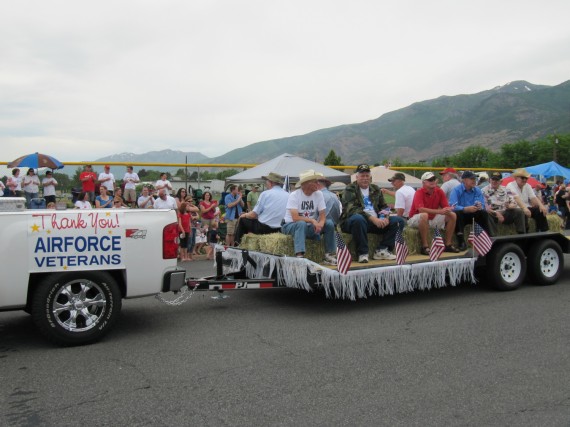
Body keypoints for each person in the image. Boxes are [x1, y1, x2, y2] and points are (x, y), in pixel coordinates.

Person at [340, 164, 405, 263]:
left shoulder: (375, 189)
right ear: (357, 177)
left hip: (375, 222)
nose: (365, 178)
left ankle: (382, 249)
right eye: (362, 176)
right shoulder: (350, 189)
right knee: (358, 219)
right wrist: (372, 218)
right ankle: (363, 253)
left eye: (367, 176)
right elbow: (352, 209)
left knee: (399, 221)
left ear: (370, 177)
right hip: (354, 222)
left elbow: (383, 206)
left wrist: (384, 217)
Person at [281, 169, 337, 264]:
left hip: (308, 226)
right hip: (290, 226)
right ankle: (300, 256)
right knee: (301, 223)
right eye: (315, 182)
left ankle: (329, 254)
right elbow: (295, 218)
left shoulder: (319, 194)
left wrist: (320, 224)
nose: (318, 184)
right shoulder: (294, 195)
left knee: (329, 223)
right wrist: (313, 221)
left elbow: (323, 216)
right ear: (307, 183)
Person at [407, 172, 460, 255]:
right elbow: (421, 209)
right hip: (415, 218)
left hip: (431, 218)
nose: (432, 181)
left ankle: (448, 244)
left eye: (433, 179)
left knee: (452, 215)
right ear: (423, 182)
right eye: (429, 180)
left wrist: (449, 209)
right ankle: (425, 246)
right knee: (424, 215)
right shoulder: (419, 192)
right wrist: (440, 211)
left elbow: (445, 206)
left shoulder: (439, 191)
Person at [235, 172, 289, 244]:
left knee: (242, 220)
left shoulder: (265, 193)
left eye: (266, 181)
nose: (266, 183)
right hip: (280, 229)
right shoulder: (288, 194)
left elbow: (254, 215)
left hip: (265, 228)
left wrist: (244, 215)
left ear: (271, 182)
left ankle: (238, 244)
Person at [448, 170, 494, 250]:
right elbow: (452, 206)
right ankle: (461, 241)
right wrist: (465, 209)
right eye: (471, 179)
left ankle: (488, 238)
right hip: (463, 214)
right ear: (464, 180)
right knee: (457, 214)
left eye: (475, 179)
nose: (474, 181)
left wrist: (480, 206)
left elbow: (483, 204)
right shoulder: (456, 190)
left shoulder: (477, 190)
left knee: (484, 213)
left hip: (474, 213)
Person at [506, 168, 549, 232]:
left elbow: (533, 197)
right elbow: (516, 198)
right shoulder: (510, 185)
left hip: (526, 207)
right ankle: (525, 233)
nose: (524, 180)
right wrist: (524, 208)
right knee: (522, 213)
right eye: (522, 178)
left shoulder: (527, 186)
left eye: (526, 178)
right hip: (516, 209)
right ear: (516, 178)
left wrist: (541, 206)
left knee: (540, 211)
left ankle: (542, 231)